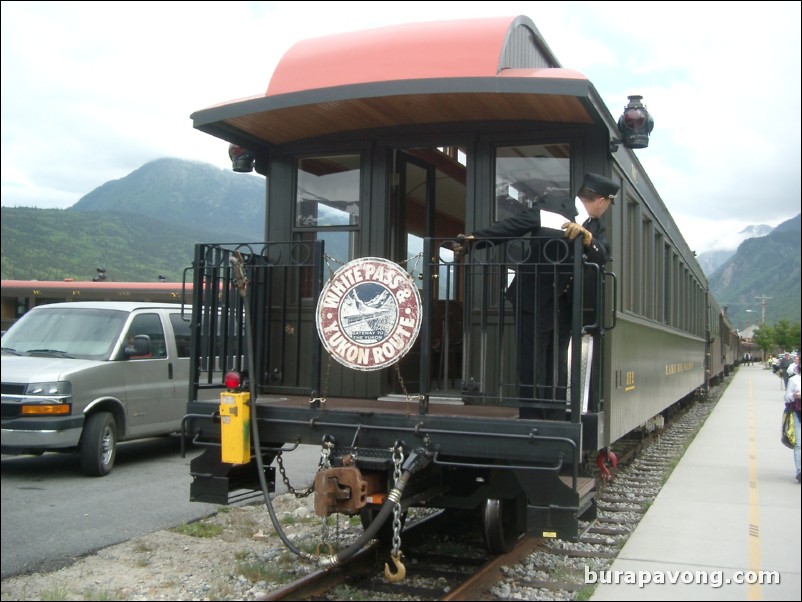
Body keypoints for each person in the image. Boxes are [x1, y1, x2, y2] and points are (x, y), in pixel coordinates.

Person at [454, 173, 618, 419]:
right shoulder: (553, 206)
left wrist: (586, 238)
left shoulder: (595, 227)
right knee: (531, 362)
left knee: (559, 360)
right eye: (608, 204)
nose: (606, 209)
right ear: (602, 200)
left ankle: (556, 415)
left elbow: (603, 254)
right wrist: (475, 240)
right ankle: (532, 418)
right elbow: (514, 225)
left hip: (565, 303)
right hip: (534, 296)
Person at [784, 370, 801, 483]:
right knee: (799, 443)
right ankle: (800, 471)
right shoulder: (794, 379)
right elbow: (787, 397)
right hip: (797, 413)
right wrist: (794, 395)